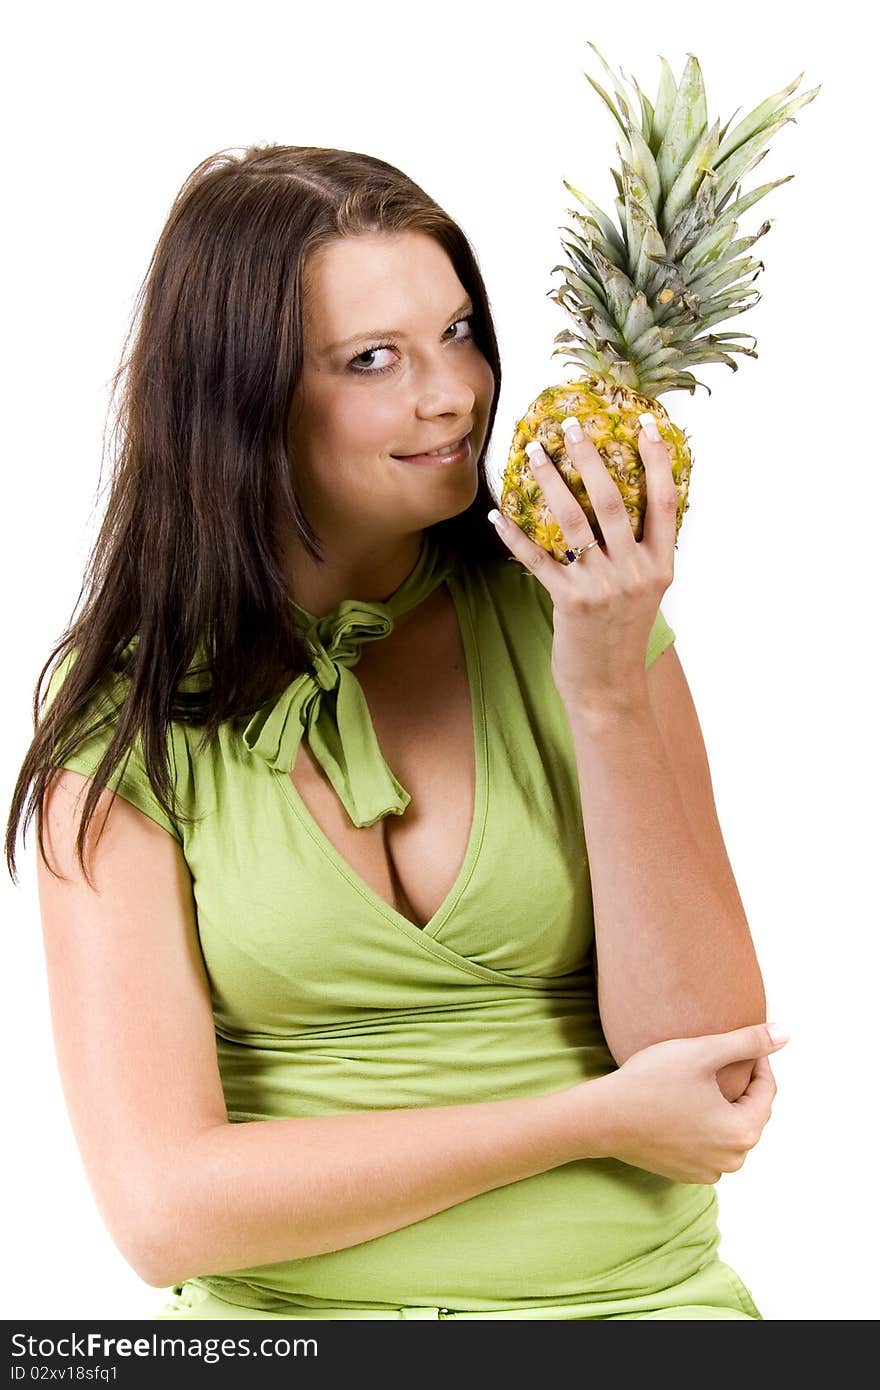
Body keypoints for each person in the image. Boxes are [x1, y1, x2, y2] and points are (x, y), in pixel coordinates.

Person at [6, 145, 786, 1322]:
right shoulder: (129, 711)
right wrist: (593, 1117)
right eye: (373, 359)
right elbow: (162, 1209)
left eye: (460, 332)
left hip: (635, 1314)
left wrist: (606, 685)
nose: (453, 394)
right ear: (241, 394)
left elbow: (712, 1075)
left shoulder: (573, 611)